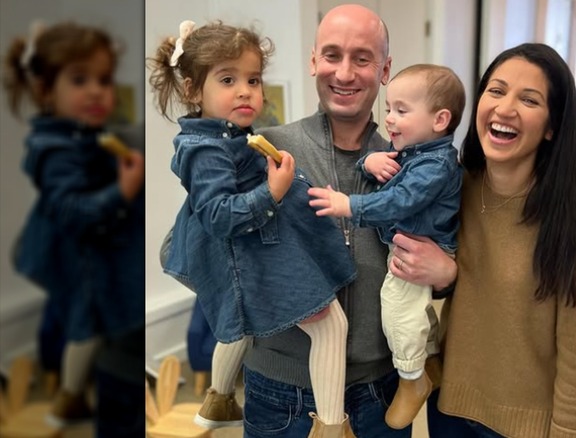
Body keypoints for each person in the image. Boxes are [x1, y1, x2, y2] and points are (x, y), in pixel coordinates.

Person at [391, 43, 576, 437]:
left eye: (529, 99)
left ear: (551, 126)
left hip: (524, 426)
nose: (504, 108)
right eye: (495, 91)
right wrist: (446, 275)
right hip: (448, 407)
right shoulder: (455, 189)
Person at [148, 20, 357, 434]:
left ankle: (219, 400)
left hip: (257, 251)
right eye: (228, 79)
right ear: (192, 90)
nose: (245, 90)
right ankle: (332, 428)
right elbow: (218, 215)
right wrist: (272, 193)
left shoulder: (228, 135)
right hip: (255, 253)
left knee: (239, 320)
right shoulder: (204, 148)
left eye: (253, 79)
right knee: (332, 327)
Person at [239, 4, 419, 437]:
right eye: (333, 55)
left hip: (379, 394)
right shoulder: (268, 149)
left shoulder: (412, 167)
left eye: (362, 58)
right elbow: (196, 246)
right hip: (280, 392)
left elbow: (442, 259)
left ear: (385, 69)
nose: (344, 73)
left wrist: (446, 271)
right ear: (313, 60)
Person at [3, 21, 146, 428]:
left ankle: (71, 393)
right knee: (87, 325)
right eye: (79, 79)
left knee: (84, 325)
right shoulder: (56, 149)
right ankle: (67, 399)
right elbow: (73, 211)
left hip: (85, 248)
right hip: (73, 254)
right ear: (46, 92)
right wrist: (122, 191)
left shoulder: (80, 135)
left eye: (104, 79)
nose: (97, 91)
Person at [308, 63, 465, 430]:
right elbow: (387, 176)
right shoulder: (415, 153)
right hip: (407, 247)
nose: (390, 119)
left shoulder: (436, 166)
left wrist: (350, 205)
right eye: (389, 108)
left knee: (397, 312)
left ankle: (413, 379)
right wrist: (369, 160)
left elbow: (400, 201)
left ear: (440, 120)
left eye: (402, 111)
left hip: (417, 252)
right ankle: (429, 360)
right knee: (414, 313)